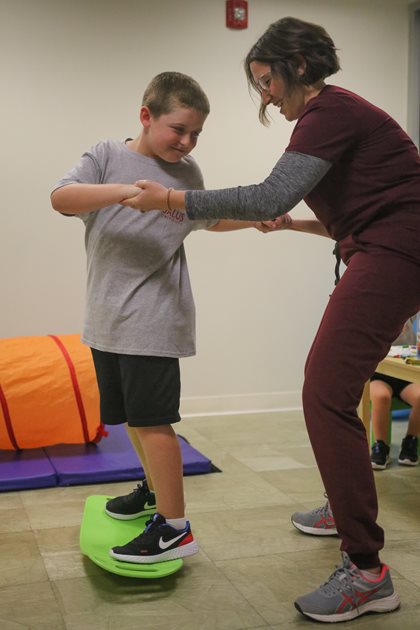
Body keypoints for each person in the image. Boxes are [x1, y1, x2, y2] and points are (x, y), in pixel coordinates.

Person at [118, 17, 420, 623]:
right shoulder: (338, 117)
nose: (266, 96)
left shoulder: (330, 112)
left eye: (267, 81)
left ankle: (367, 571)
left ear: (299, 67)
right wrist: (306, 225)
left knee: (323, 391)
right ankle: (345, 504)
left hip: (397, 254)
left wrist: (171, 199)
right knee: (340, 387)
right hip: (385, 247)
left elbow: (264, 196)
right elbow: (368, 205)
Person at [50, 72, 269, 565]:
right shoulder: (106, 155)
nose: (187, 143)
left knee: (155, 424)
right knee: (131, 418)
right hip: (106, 317)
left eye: (196, 135)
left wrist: (255, 219)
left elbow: (206, 218)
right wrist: (129, 191)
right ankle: (151, 492)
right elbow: (61, 198)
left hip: (154, 318)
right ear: (146, 116)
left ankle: (174, 528)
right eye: (178, 130)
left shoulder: (188, 172)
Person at [370, 316, 420, 469]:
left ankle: (411, 440)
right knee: (381, 396)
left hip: (405, 372)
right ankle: (380, 445)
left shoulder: (410, 306)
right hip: (380, 373)